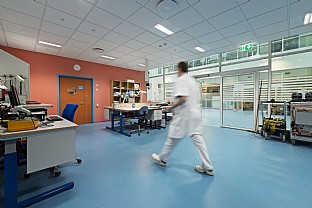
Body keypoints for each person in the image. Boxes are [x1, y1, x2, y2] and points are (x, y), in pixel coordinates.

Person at [152, 61, 214, 176]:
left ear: (179, 69)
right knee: (198, 139)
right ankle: (208, 167)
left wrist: (171, 107)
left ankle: (162, 158)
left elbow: (183, 98)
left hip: (185, 115)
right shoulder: (192, 80)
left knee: (172, 138)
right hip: (194, 114)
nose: (177, 71)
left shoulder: (181, 80)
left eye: (177, 69)